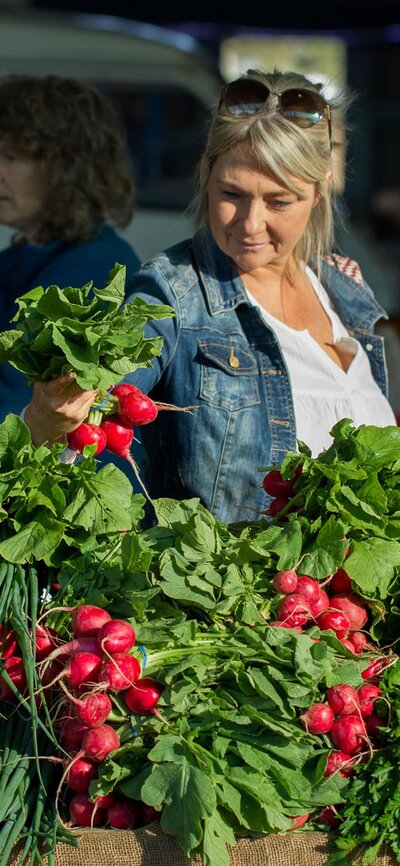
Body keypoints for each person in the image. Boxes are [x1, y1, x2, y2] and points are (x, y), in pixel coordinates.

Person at [23, 69, 396, 524]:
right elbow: (92, 410)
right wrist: (48, 421)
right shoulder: (171, 293)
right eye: (232, 194)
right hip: (236, 591)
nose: (250, 223)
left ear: (316, 196)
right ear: (206, 177)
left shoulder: (343, 289)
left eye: (278, 202)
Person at [0, 73, 141, 420]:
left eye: (11, 157)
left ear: (67, 167)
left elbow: (13, 403)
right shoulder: (19, 259)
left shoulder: (96, 268)